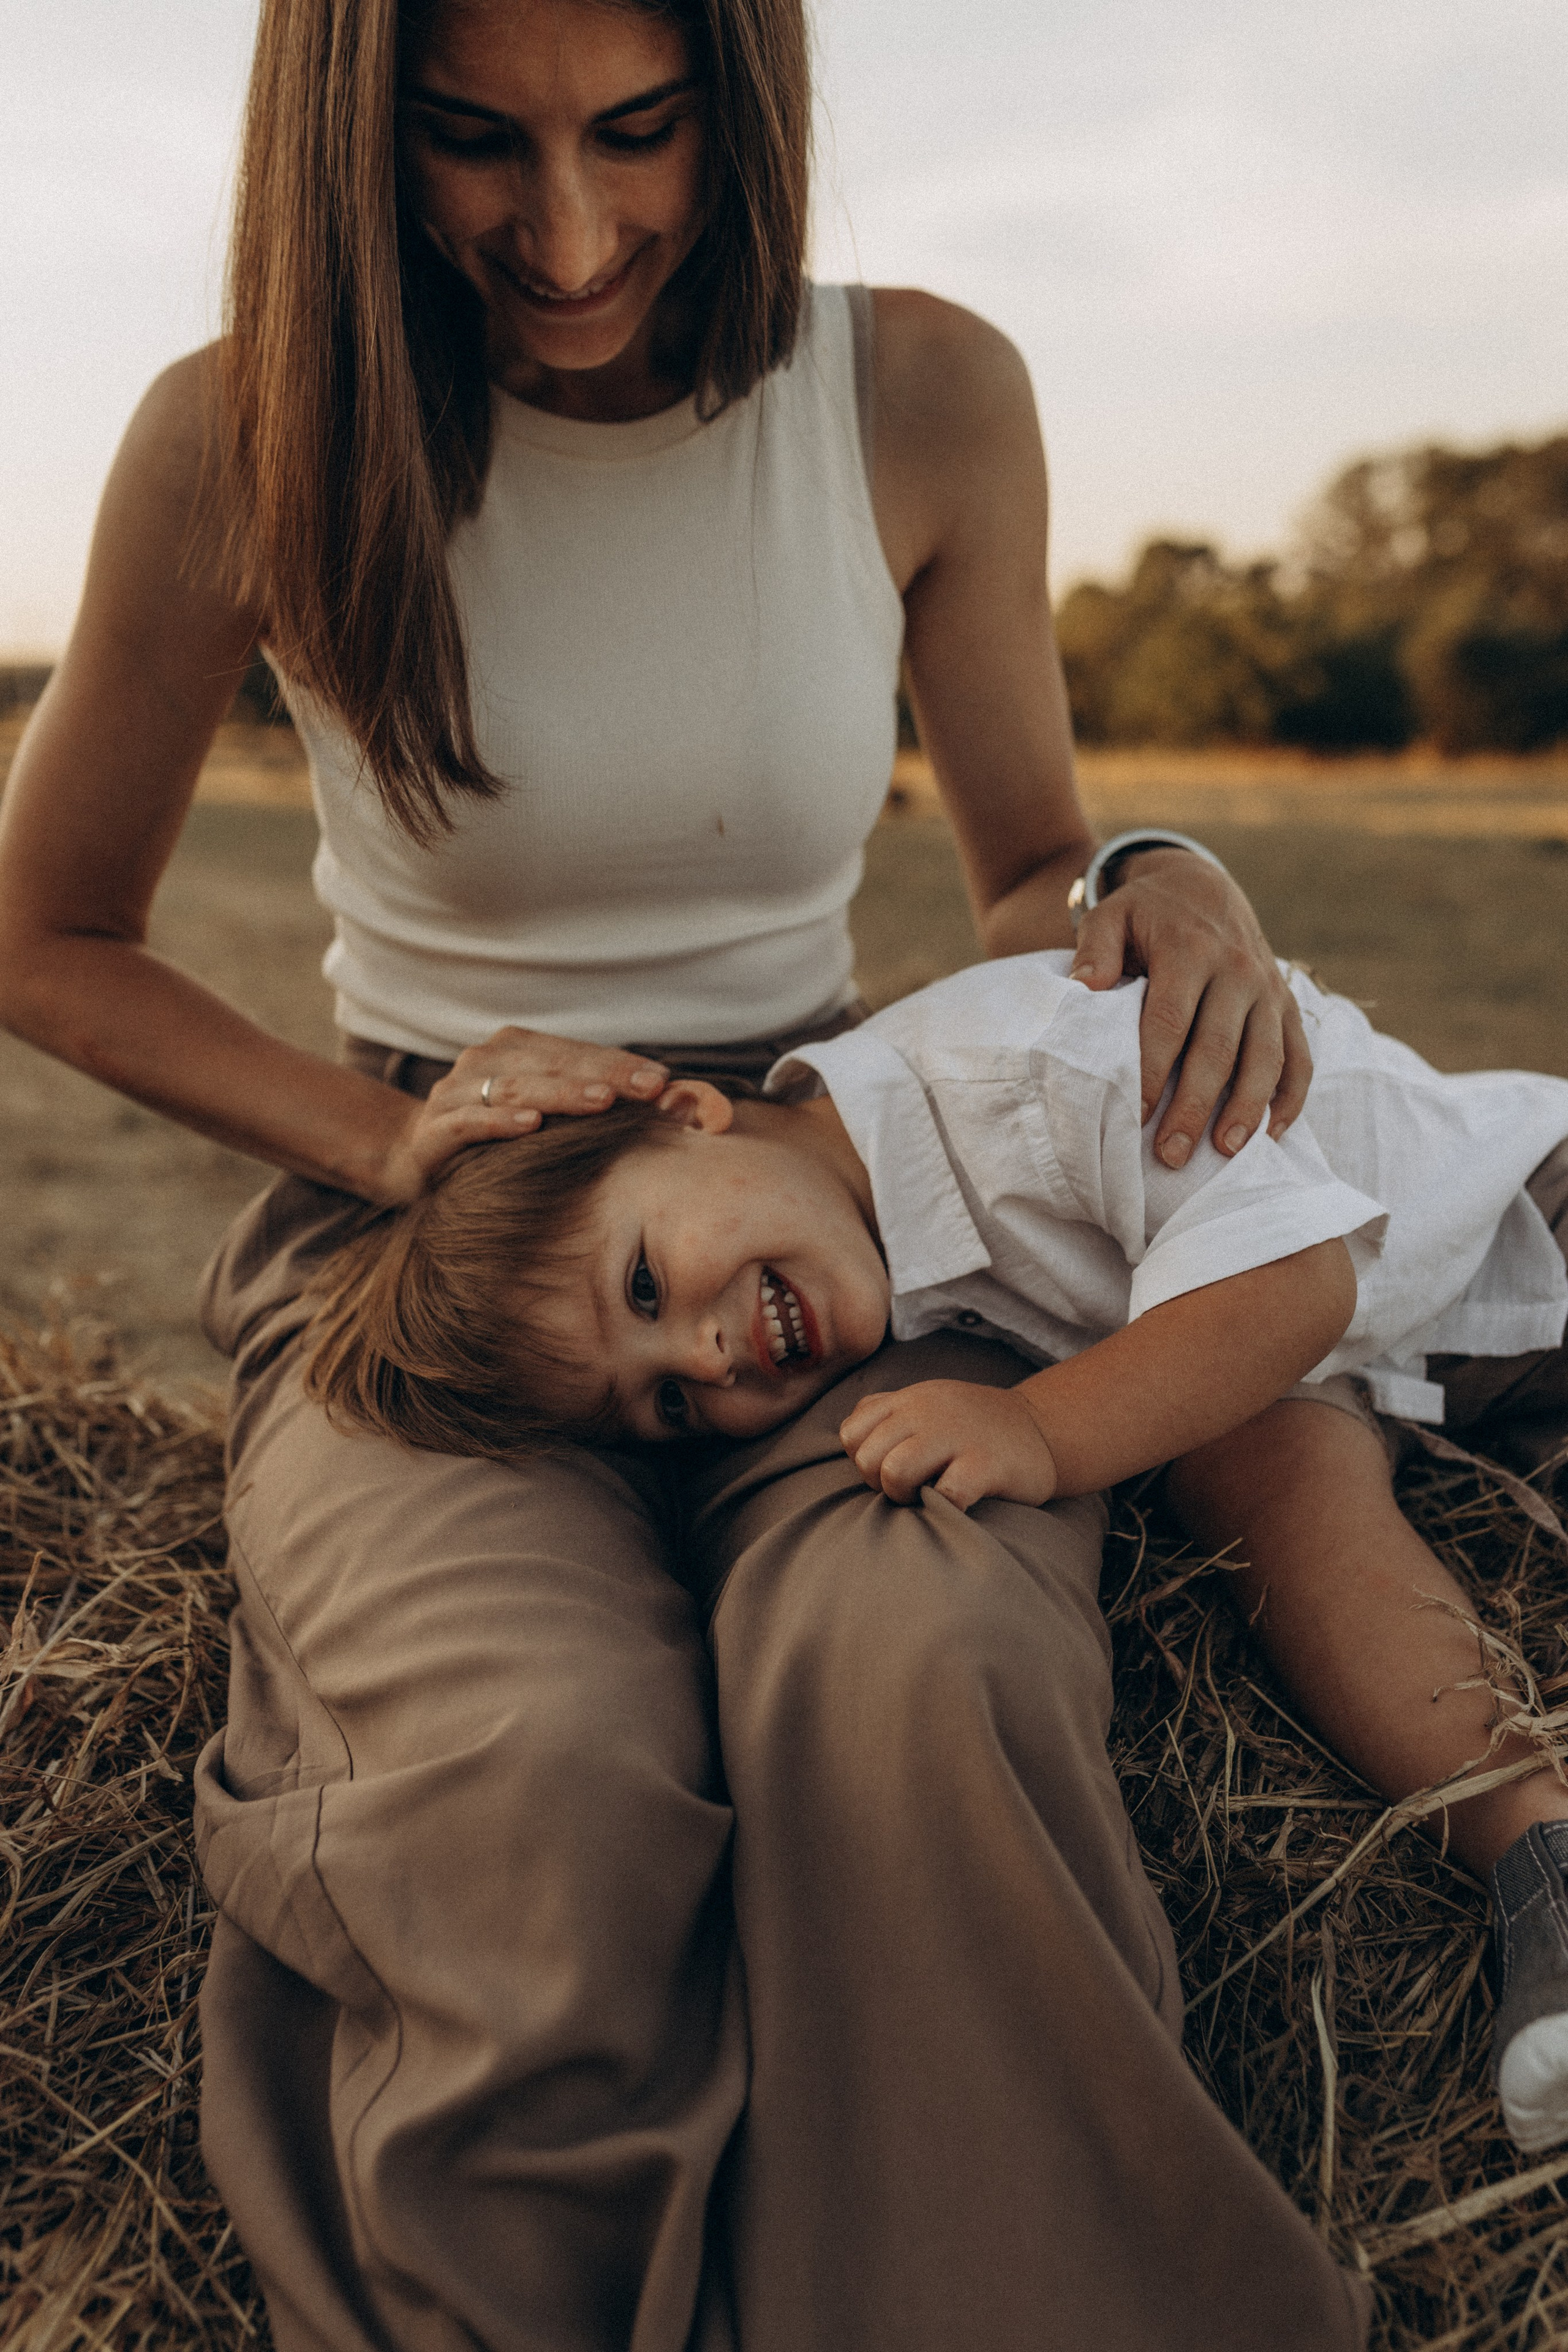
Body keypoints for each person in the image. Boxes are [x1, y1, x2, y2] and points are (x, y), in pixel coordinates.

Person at [0, 0, 1373, 2345]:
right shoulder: (235, 437)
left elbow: (1027, 865)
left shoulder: (923, 394)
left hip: (833, 1171)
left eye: (638, 132)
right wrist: (396, 1142)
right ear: (350, 132)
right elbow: (47, 936)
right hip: (425, 1211)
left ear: (744, 97)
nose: (566, 234)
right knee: (524, 1765)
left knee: (922, 1668)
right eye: (472, 143)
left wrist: (1164, 874)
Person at [304, 949, 1568, 2154]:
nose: (703, 1356)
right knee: (1254, 1494)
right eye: (667, 1404)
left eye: (642, 1286)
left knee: (1226, 1415)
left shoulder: (1022, 1075)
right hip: (1350, 1357)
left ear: (688, 1115)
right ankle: (1539, 1854)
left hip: (1512, 1221)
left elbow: (1294, 1280)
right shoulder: (854, 1223)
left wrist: (1040, 1431)